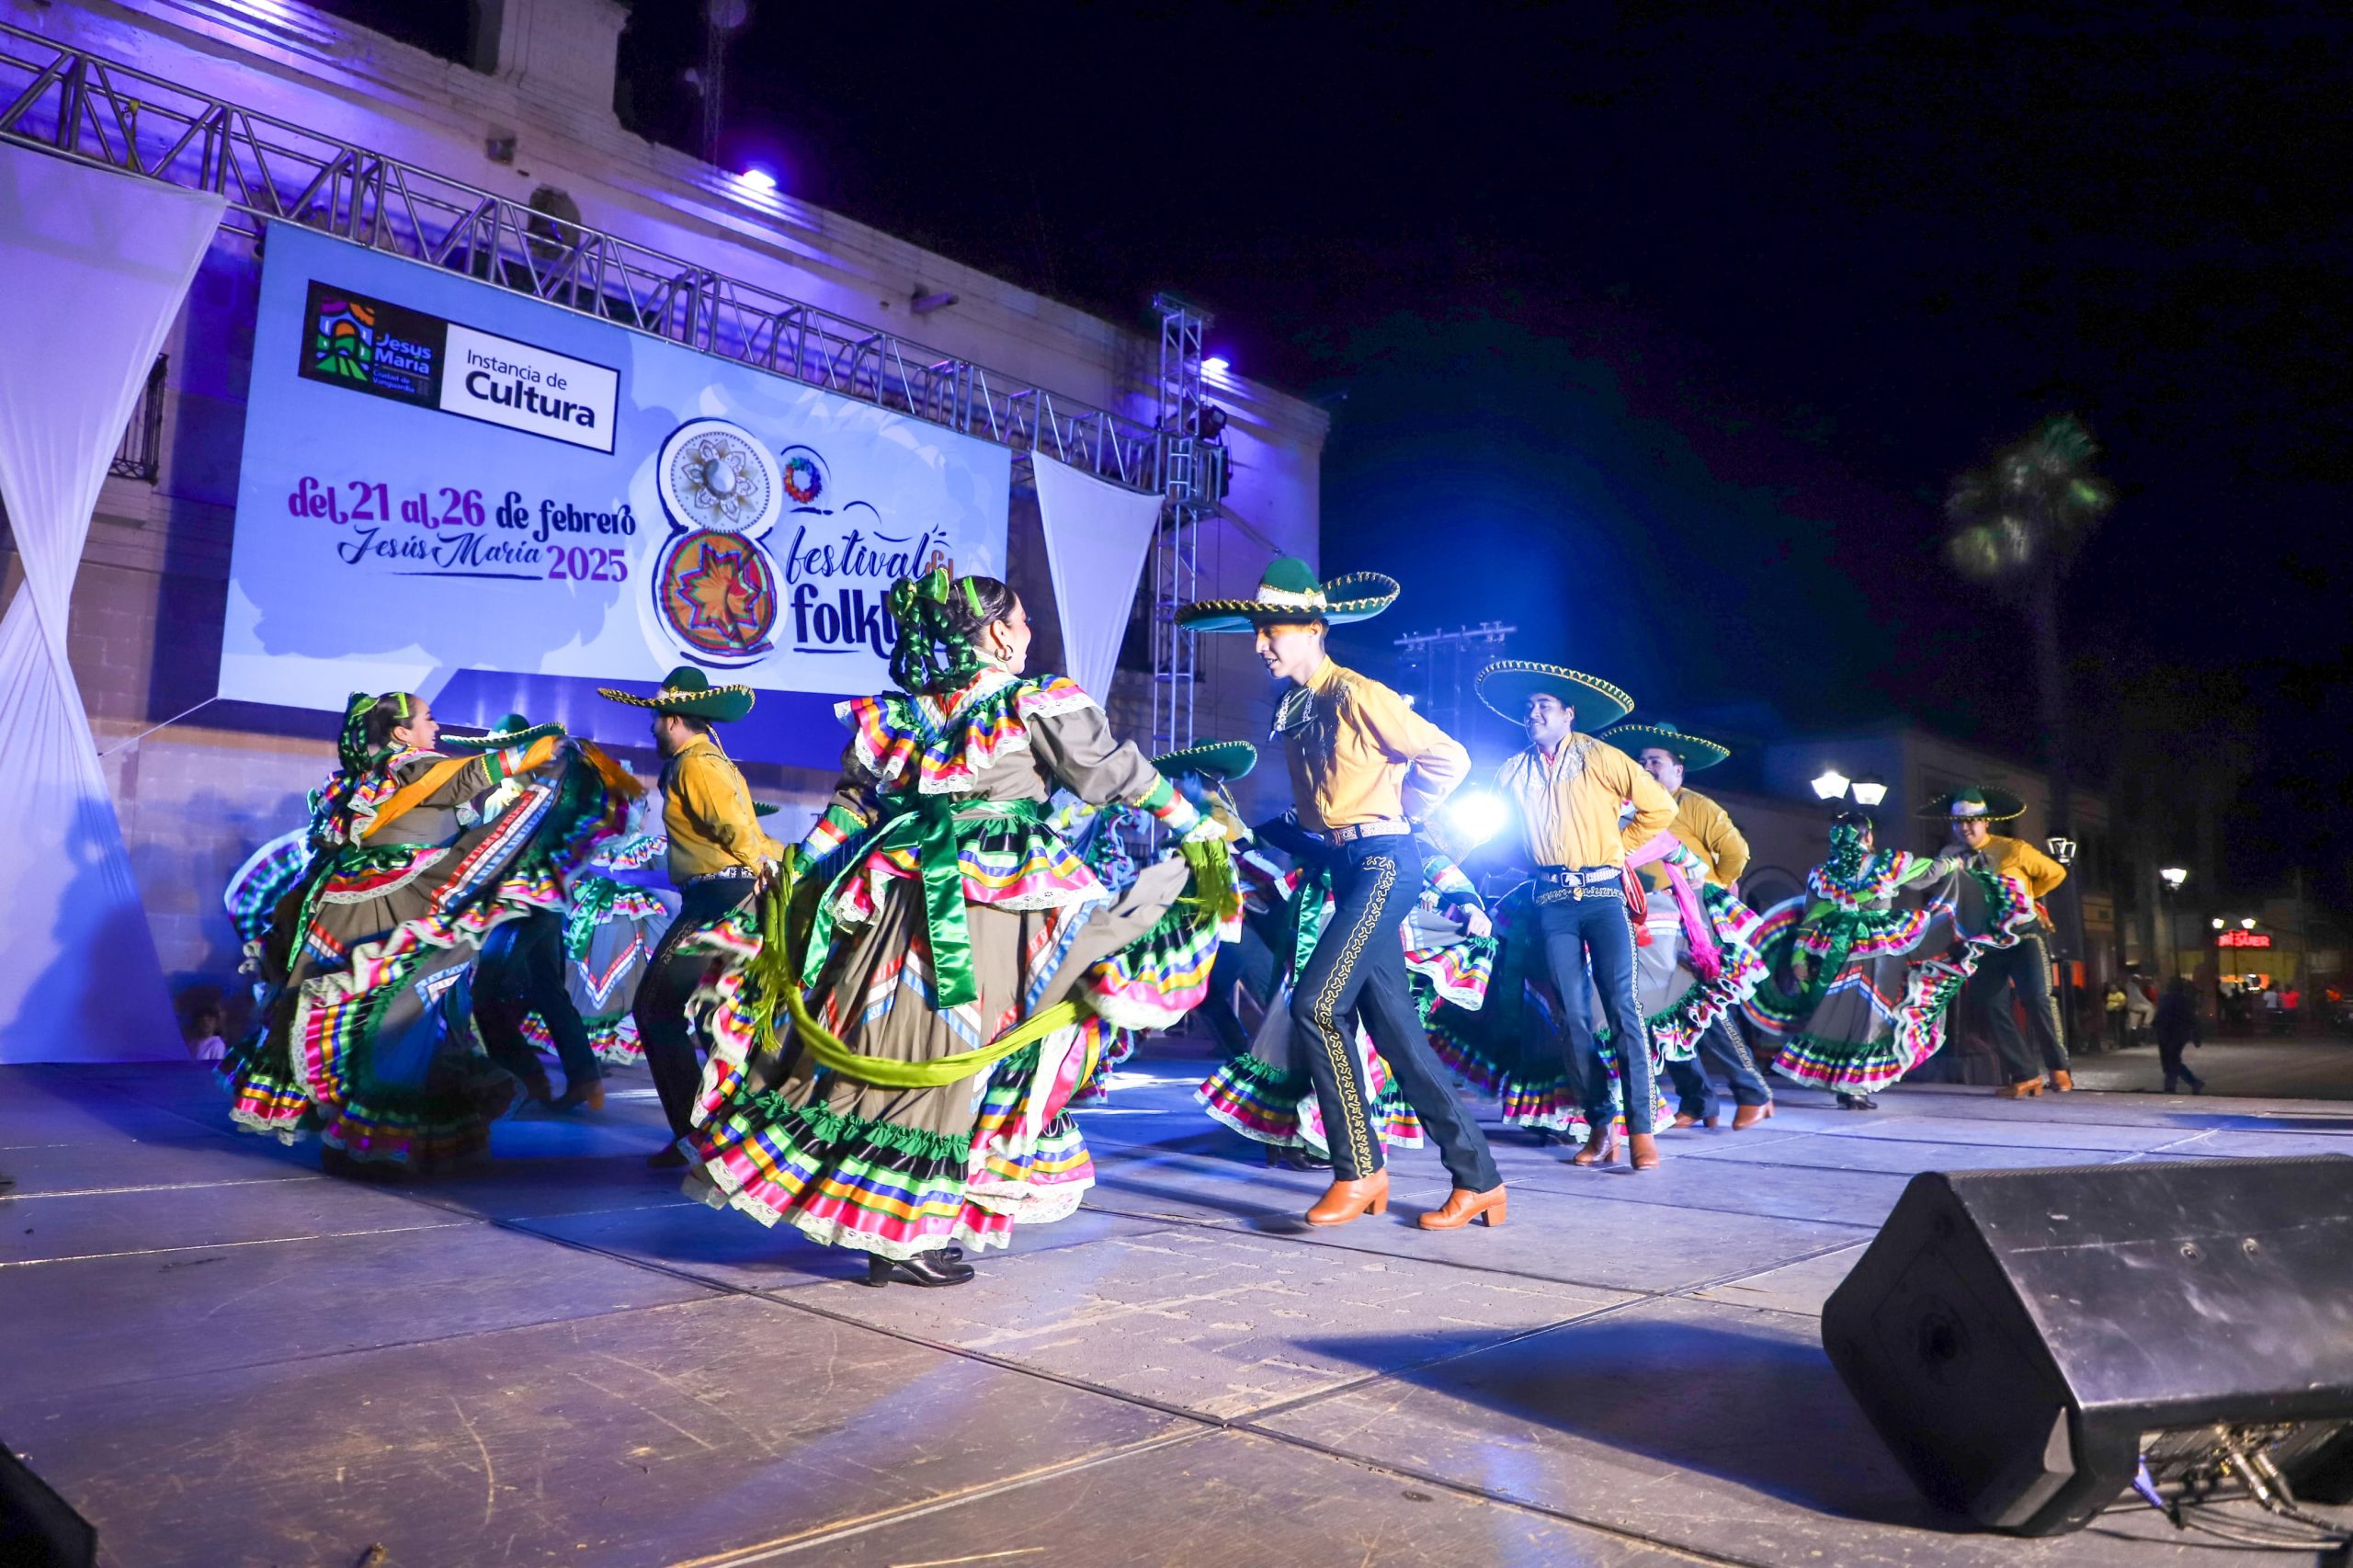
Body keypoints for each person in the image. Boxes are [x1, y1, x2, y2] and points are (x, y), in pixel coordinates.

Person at [681, 571, 1232, 1285]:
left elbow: (852, 808)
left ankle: (888, 1227)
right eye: (1025, 620)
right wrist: (1198, 830)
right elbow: (1109, 773)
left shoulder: (904, 715)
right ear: (999, 632)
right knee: (963, 1039)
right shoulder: (1030, 703)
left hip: (898, 894)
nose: (1030, 634)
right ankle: (902, 1234)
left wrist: (803, 868)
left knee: (887, 1037)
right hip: (987, 898)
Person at [1179, 558, 1505, 1229]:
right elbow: (1319, 815)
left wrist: (1402, 810)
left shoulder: (1357, 691)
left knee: (1316, 1005)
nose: (1260, 644)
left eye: (1272, 631)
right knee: (1400, 1040)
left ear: (1314, 631)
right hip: (1348, 868)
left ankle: (1359, 1170)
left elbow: (1451, 758)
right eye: (1257, 632)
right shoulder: (1297, 708)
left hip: (1387, 862)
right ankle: (1479, 1179)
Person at [222, 692, 627, 1170]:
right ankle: (369, 1141)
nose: (435, 727)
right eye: (428, 719)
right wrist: (549, 752)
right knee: (394, 1020)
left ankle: (359, 1138)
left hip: (356, 909)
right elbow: (475, 773)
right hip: (391, 910)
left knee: (381, 1021)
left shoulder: (369, 777)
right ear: (401, 732)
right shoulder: (413, 767)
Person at [1197, 821, 1495, 1167]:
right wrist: (1237, 846)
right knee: (1290, 1038)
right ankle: (1299, 1137)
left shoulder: (1389, 830)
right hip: (1317, 943)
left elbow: (1432, 862)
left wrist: (1469, 903)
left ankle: (1336, 1147)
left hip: (1362, 941)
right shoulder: (1328, 835)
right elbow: (1284, 841)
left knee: (1352, 1036)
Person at [1475, 658, 1676, 1169]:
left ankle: (1642, 1132)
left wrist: (1616, 847)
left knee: (1624, 1010)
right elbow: (1491, 831)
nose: (1534, 713)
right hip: (1551, 900)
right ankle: (1599, 1125)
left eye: (1544, 706)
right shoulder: (1513, 769)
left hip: (1606, 893)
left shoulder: (1602, 757)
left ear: (1569, 713)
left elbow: (1660, 810)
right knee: (1572, 1017)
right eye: (1529, 708)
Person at [598, 667, 783, 1167]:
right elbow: (743, 829)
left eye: (657, 720)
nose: (652, 729)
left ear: (675, 719)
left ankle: (695, 1135)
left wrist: (766, 865)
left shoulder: (694, 763)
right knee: (711, 1018)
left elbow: (734, 828)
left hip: (718, 900)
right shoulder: (705, 760)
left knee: (656, 1007)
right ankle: (728, 1134)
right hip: (725, 894)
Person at [1757, 811, 2036, 1107]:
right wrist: (1953, 863)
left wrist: (1799, 955)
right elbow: (1926, 873)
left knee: (1841, 1013)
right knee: (1872, 1015)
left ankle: (1844, 1082)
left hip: (1837, 949)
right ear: (1868, 836)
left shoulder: (1823, 874)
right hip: (1879, 945)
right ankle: (1854, 1084)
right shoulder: (1885, 864)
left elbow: (1811, 916)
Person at [1600, 720, 1777, 1131]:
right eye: (1642, 761)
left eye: (1656, 761)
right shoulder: (1630, 808)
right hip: (1644, 915)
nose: (1647, 767)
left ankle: (1753, 1092)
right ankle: (1699, 1100)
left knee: (1698, 1002)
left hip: (1689, 916)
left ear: (1678, 770)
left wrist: (1709, 885)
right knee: (1659, 1007)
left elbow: (1735, 852)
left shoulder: (1695, 805)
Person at [1931, 787, 2073, 1096]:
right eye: (1958, 822)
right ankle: (2024, 1074)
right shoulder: (1949, 856)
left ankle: (2059, 1068)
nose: (1964, 827)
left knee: (2036, 997)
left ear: (1987, 823)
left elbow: (2056, 872)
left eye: (1972, 821)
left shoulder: (2014, 850)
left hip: (2023, 932)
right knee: (1988, 1003)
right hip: (1984, 941)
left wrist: (2028, 898)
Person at [2154, 977, 2206, 1093]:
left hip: (2169, 1034)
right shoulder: (2185, 1001)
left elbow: (2160, 1017)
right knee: (2172, 1060)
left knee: (2171, 1060)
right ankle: (2190, 1083)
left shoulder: (2166, 999)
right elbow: (2192, 1019)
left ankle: (2172, 1085)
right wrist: (2195, 1036)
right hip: (2177, 1034)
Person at [2104, 979, 2129, 1051]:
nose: (2112, 989)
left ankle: (2121, 1043)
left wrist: (2118, 1008)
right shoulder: (2109, 994)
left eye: (2114, 987)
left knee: (2118, 1027)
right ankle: (2112, 1043)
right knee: (2111, 1028)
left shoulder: (2120, 994)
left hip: (2117, 1013)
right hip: (2110, 1013)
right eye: (2111, 987)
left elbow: (2123, 1002)